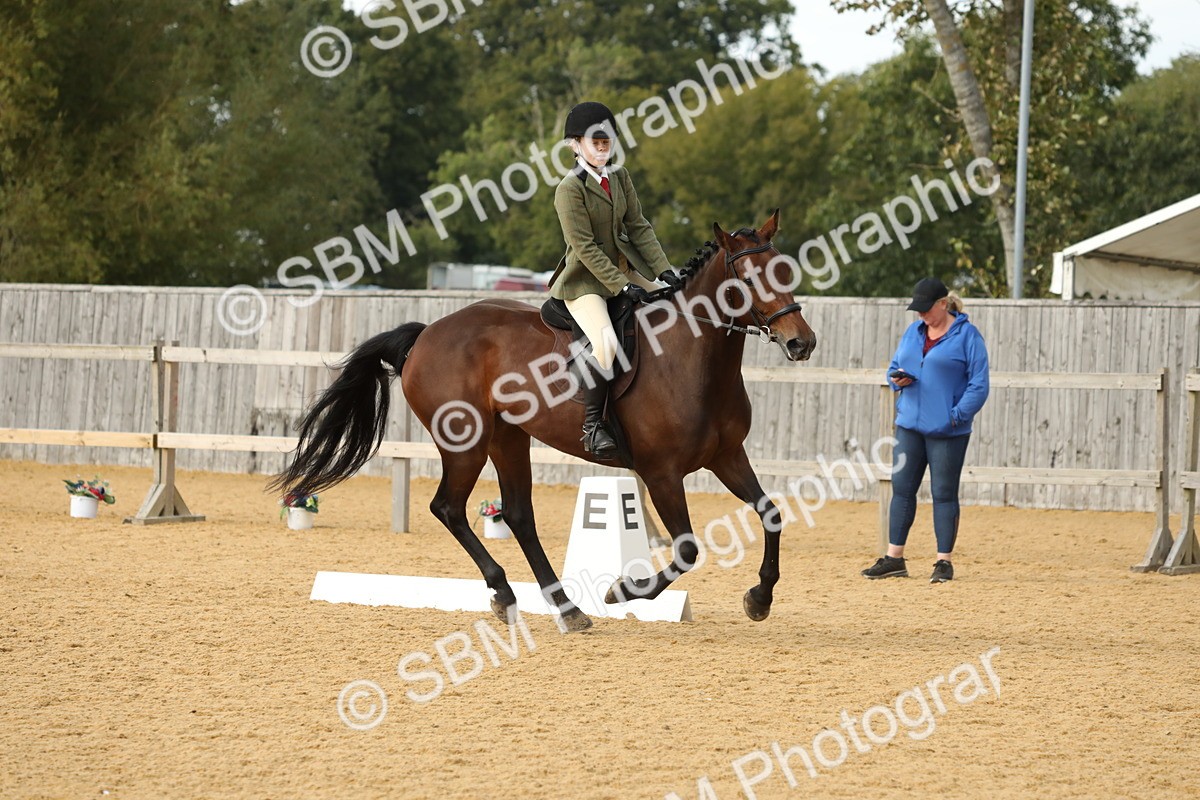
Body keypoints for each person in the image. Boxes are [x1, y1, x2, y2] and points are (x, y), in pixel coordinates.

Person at [548, 101, 682, 459]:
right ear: (575, 144)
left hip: (626, 270)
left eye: (606, 140)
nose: (602, 146)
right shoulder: (569, 189)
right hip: (585, 283)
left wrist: (664, 271)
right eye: (595, 141)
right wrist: (621, 286)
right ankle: (593, 427)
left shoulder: (620, 178)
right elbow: (584, 248)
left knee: (679, 306)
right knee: (606, 344)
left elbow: (638, 227)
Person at [862, 277, 990, 583]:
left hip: (947, 430)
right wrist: (897, 380)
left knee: (943, 493)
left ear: (943, 304)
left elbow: (979, 384)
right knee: (902, 489)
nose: (920, 314)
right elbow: (893, 367)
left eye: (925, 308)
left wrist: (956, 416)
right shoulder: (913, 332)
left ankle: (943, 562)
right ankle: (894, 558)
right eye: (917, 309)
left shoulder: (968, 336)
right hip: (910, 425)